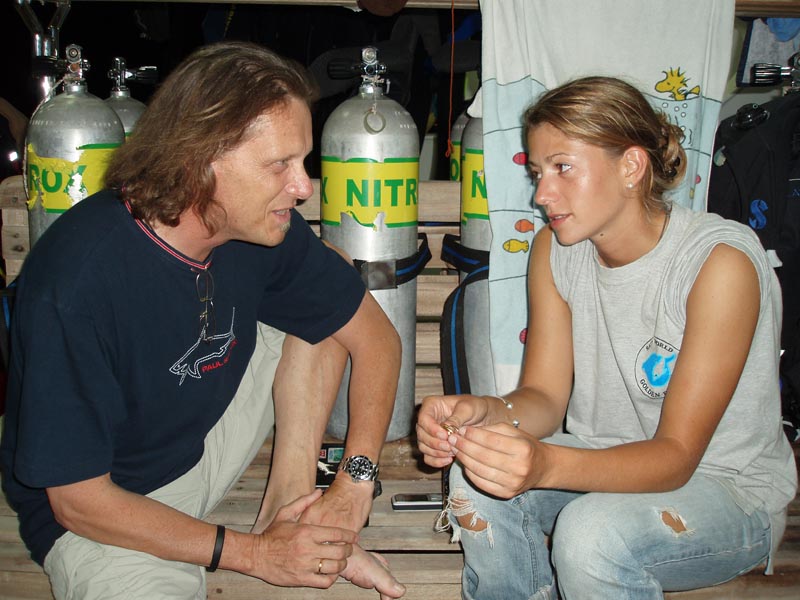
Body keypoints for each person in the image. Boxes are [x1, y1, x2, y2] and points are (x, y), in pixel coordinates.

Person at [0, 41, 406, 600]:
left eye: (303, 161)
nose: (303, 187)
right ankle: (277, 541)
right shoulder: (75, 282)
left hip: (202, 444)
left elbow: (377, 339)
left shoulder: (257, 229)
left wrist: (351, 487)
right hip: (110, 512)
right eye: (280, 164)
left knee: (328, 283)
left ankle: (294, 515)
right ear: (202, 160)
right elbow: (77, 502)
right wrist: (255, 556)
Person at [416, 76, 798, 599]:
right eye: (537, 172)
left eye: (562, 168)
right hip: (604, 460)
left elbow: (677, 455)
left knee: (590, 534)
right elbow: (544, 397)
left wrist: (545, 465)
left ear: (631, 167)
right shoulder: (555, 249)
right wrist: (483, 413)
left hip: (727, 490)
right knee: (475, 480)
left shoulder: (717, 263)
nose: (541, 194)